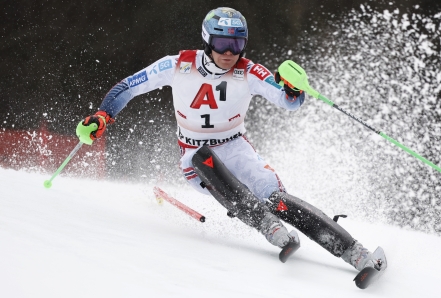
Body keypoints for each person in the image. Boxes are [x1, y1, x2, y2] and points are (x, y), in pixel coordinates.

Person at [78, 7, 382, 272]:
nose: (229, 52)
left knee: (275, 197)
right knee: (202, 159)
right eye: (222, 43)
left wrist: (293, 91)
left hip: (236, 146)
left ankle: (356, 253)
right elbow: (128, 86)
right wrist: (105, 114)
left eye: (236, 44)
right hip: (193, 152)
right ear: (208, 41)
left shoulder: (248, 70)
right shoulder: (178, 64)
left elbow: (287, 102)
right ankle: (267, 226)